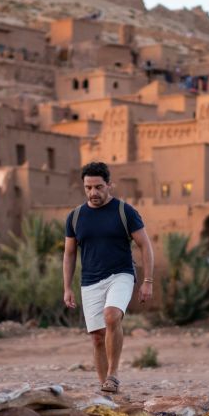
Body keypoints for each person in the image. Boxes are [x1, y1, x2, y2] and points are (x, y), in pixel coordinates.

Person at [63, 162, 154, 394]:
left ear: (109, 185)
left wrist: (147, 281)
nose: (93, 193)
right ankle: (106, 389)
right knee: (96, 338)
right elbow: (70, 253)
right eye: (88, 188)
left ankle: (113, 375)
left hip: (120, 274)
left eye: (98, 187)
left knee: (111, 316)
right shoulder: (75, 217)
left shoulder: (125, 212)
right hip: (89, 281)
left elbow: (145, 245)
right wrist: (67, 287)